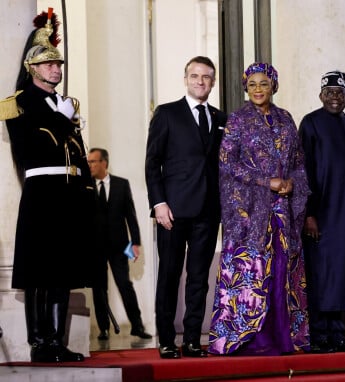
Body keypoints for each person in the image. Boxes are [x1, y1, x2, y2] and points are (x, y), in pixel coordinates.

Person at [0, 10, 94, 362]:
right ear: (32, 67)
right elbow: (31, 151)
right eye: (49, 63)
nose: (56, 69)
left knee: (62, 270)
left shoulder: (64, 104)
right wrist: (61, 118)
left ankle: (56, 341)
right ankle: (39, 343)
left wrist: (86, 193)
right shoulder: (19, 104)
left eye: (58, 63)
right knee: (40, 270)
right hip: (42, 193)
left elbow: (77, 154)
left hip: (68, 194)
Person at [208, 62, 310, 356]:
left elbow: (300, 162)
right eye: (252, 84)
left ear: (273, 86)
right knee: (252, 271)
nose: (257, 89)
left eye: (263, 83)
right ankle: (249, 338)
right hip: (251, 214)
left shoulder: (285, 118)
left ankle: (284, 337)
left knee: (281, 269)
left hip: (282, 211)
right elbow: (228, 164)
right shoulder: (238, 120)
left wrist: (292, 182)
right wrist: (267, 182)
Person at [145, 56, 227, 359]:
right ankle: (166, 340)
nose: (200, 82)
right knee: (168, 275)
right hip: (173, 212)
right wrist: (158, 203)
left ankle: (192, 340)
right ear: (186, 79)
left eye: (206, 77)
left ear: (213, 82)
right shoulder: (167, 113)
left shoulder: (221, 118)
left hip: (208, 211)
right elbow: (153, 162)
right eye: (195, 76)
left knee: (198, 278)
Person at [298, 70, 345, 354]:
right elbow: (303, 171)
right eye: (329, 93)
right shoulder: (310, 123)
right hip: (320, 215)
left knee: (342, 276)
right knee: (320, 275)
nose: (334, 98)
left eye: (340, 93)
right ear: (320, 95)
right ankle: (318, 336)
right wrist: (308, 214)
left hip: (344, 215)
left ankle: (338, 335)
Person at [88, 148, 152, 341]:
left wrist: (136, 243)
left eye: (93, 161)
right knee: (99, 289)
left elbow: (130, 216)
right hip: (95, 247)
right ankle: (104, 328)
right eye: (89, 161)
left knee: (125, 285)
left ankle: (137, 326)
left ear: (104, 163)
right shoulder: (86, 186)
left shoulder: (121, 184)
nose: (89, 165)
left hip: (119, 246)